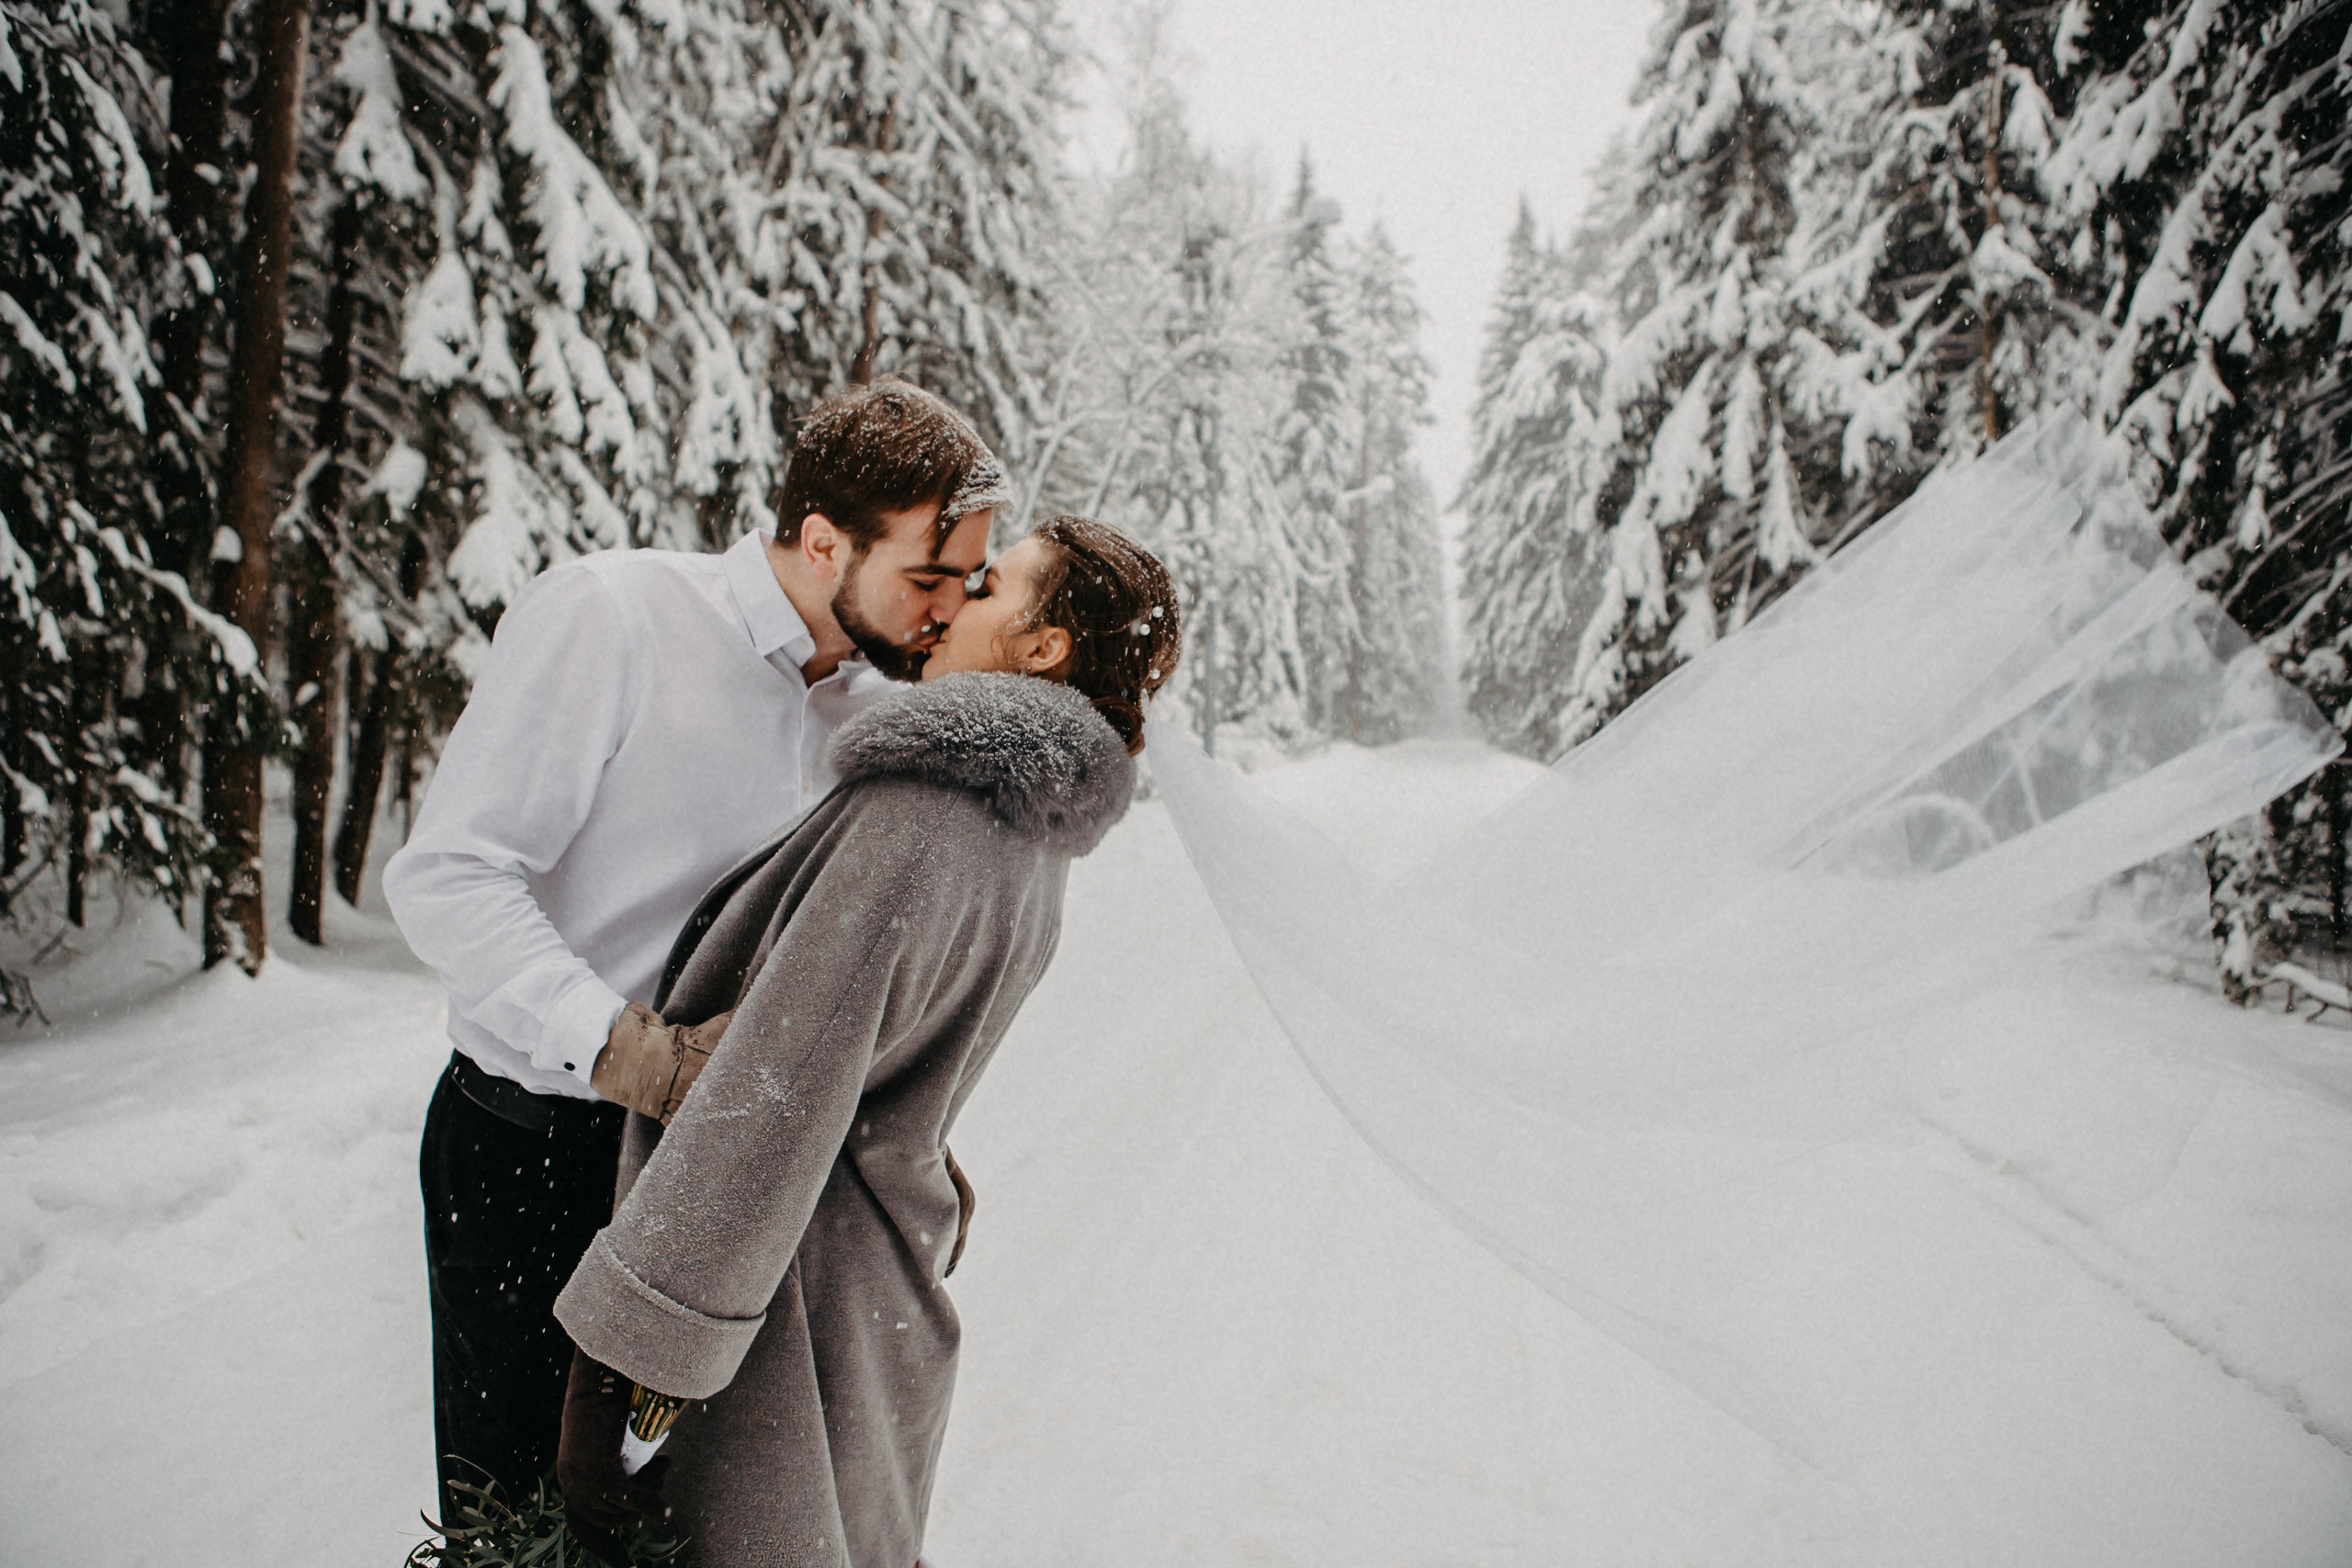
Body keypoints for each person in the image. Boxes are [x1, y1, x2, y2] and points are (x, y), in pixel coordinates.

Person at [382, 379, 1008, 1521]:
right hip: (538, 1155)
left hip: (726, 1185)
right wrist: (630, 1055)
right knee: (522, 1527)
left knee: (697, 1522)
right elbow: (449, 877)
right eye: (927, 576)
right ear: (823, 541)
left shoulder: (879, 714)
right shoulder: (614, 618)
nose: (945, 608)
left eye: (968, 580)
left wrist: (885, 1134)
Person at [548, 517, 1182, 1568]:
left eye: (988, 588)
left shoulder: (920, 817)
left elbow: (778, 1095)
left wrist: (632, 1361)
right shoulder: (1029, 834)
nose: (951, 602)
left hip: (790, 1305)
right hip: (876, 1295)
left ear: (1043, 648)